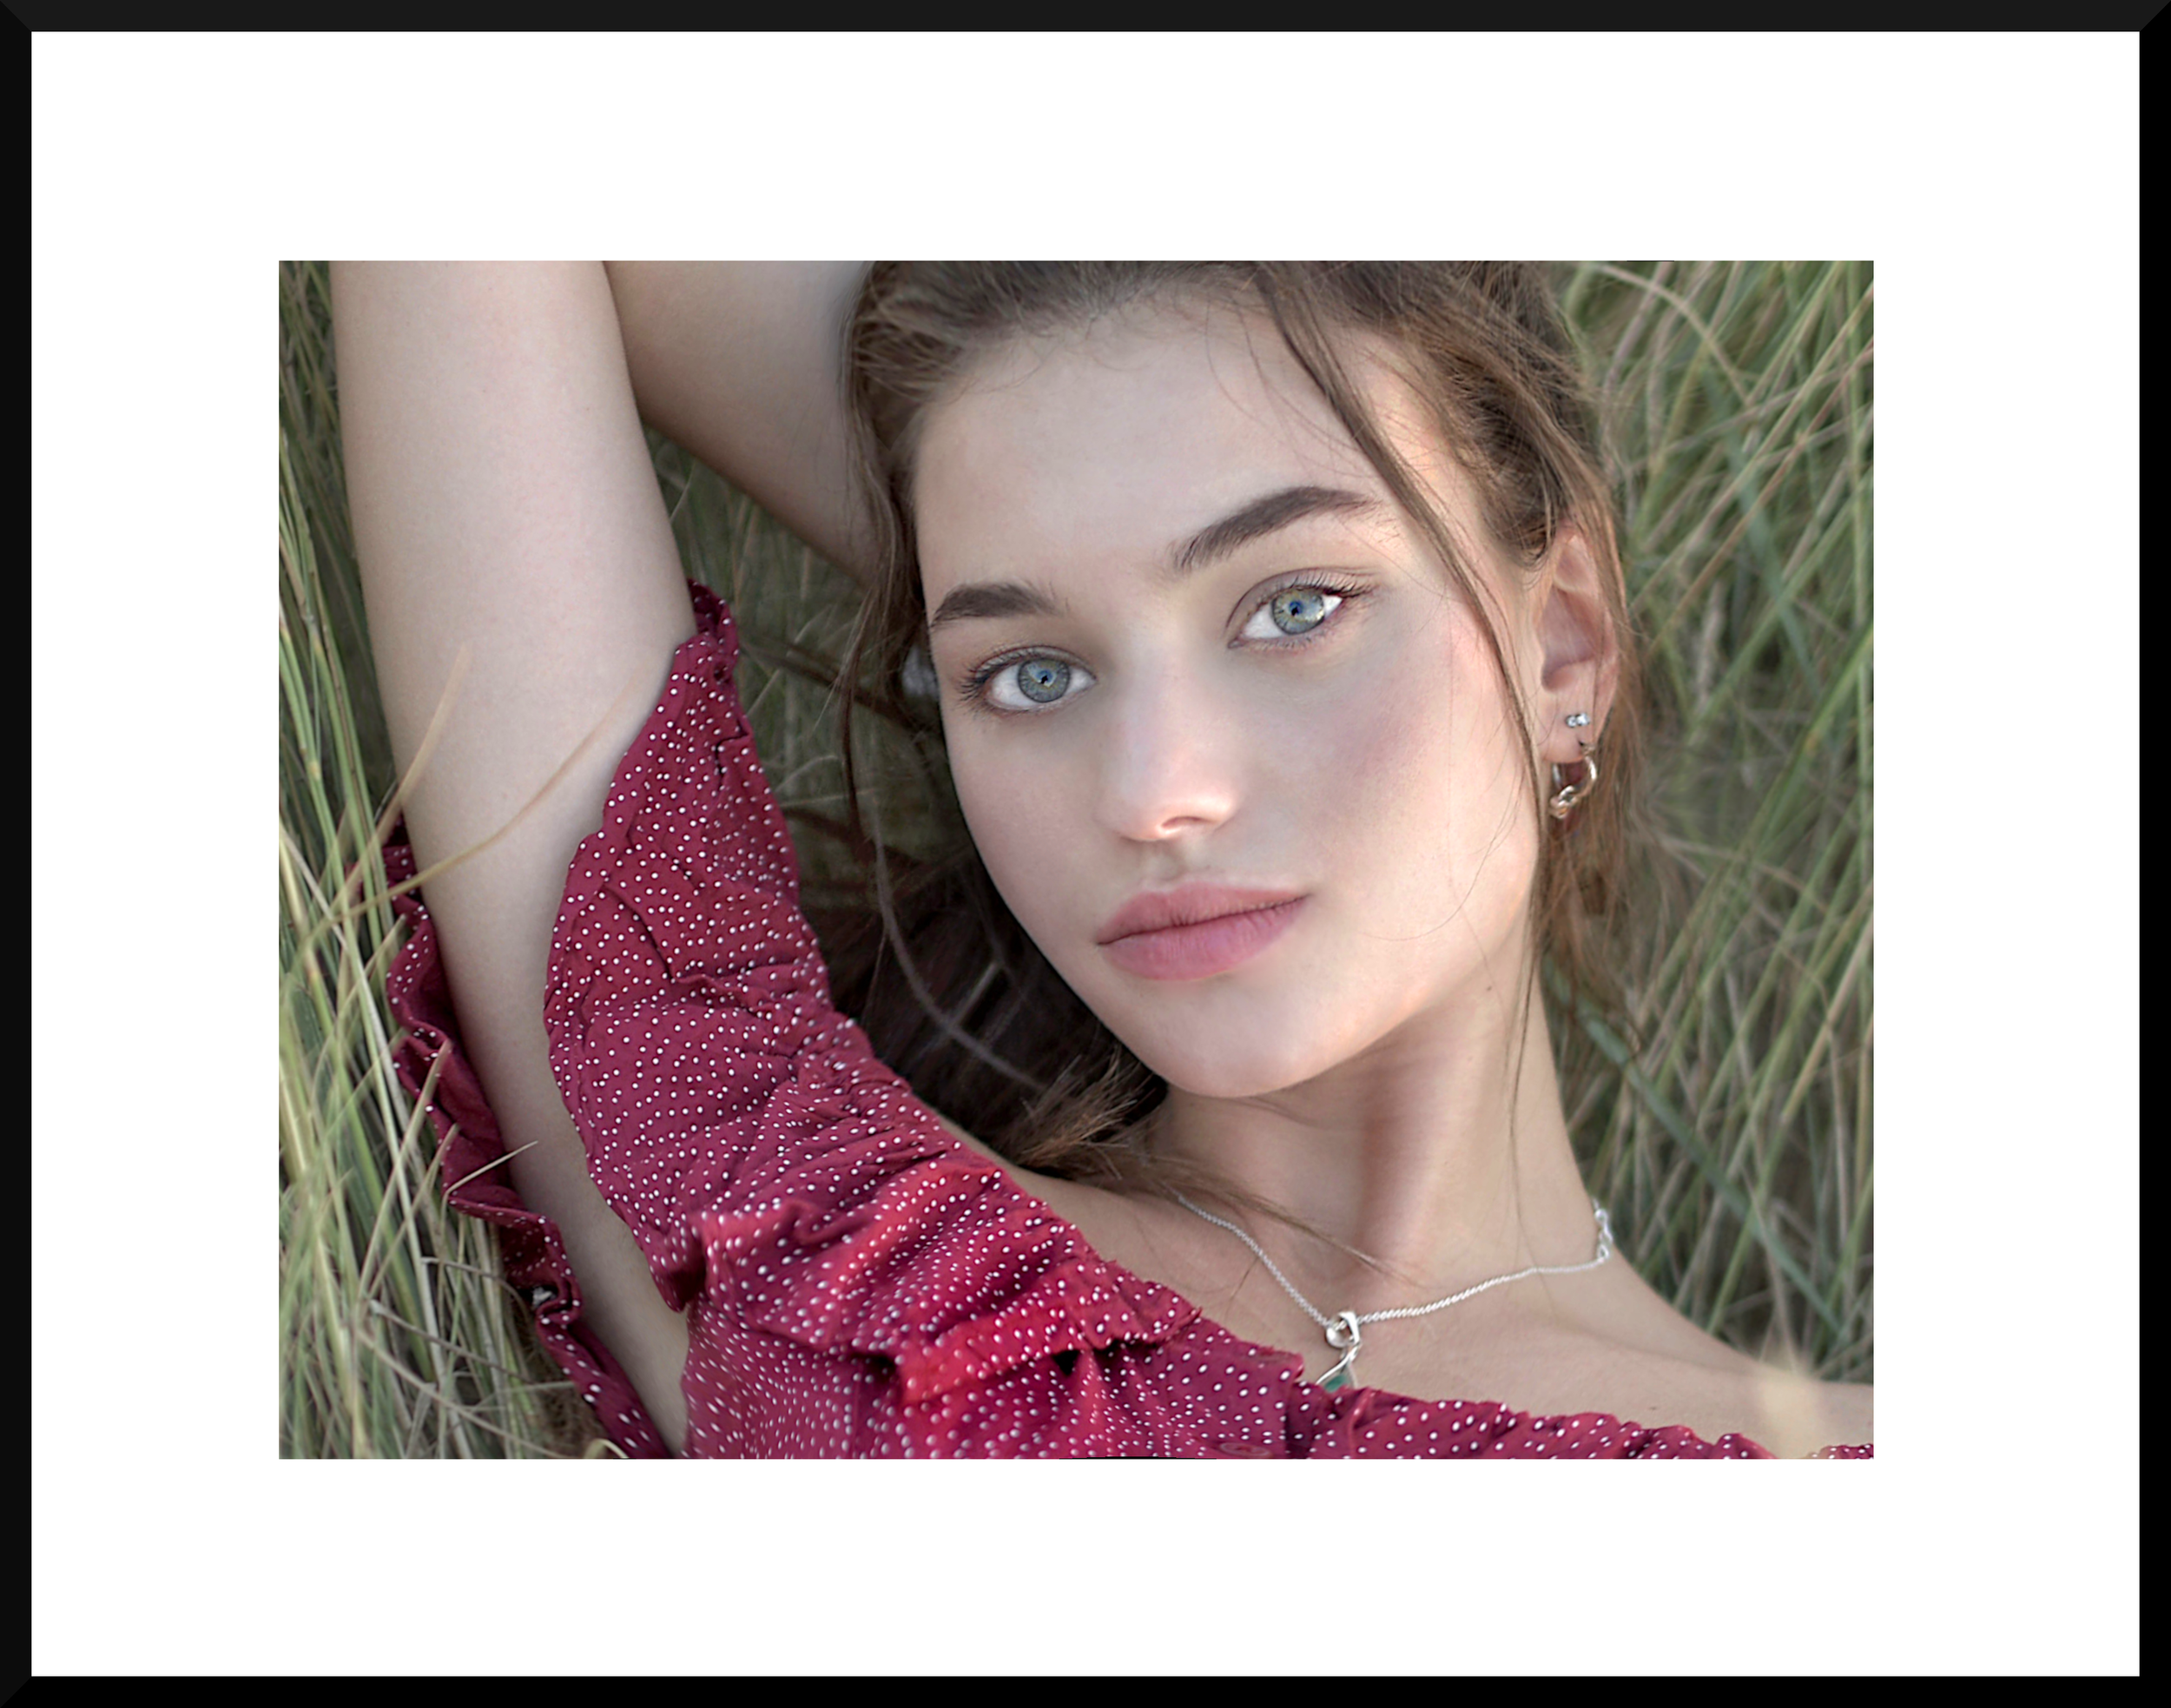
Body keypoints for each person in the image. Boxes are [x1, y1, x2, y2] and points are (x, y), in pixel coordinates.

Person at [332, 261, 1873, 1459]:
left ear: (1563, 645)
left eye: (1295, 607)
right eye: (1031, 675)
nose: (1153, 794)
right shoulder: (844, 1285)